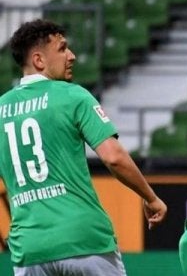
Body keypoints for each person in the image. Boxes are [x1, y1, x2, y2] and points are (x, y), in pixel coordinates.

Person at [0, 19, 167, 275]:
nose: (72, 56)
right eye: (63, 49)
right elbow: (114, 158)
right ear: (39, 60)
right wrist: (151, 198)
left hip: (30, 250)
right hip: (83, 240)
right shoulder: (71, 95)